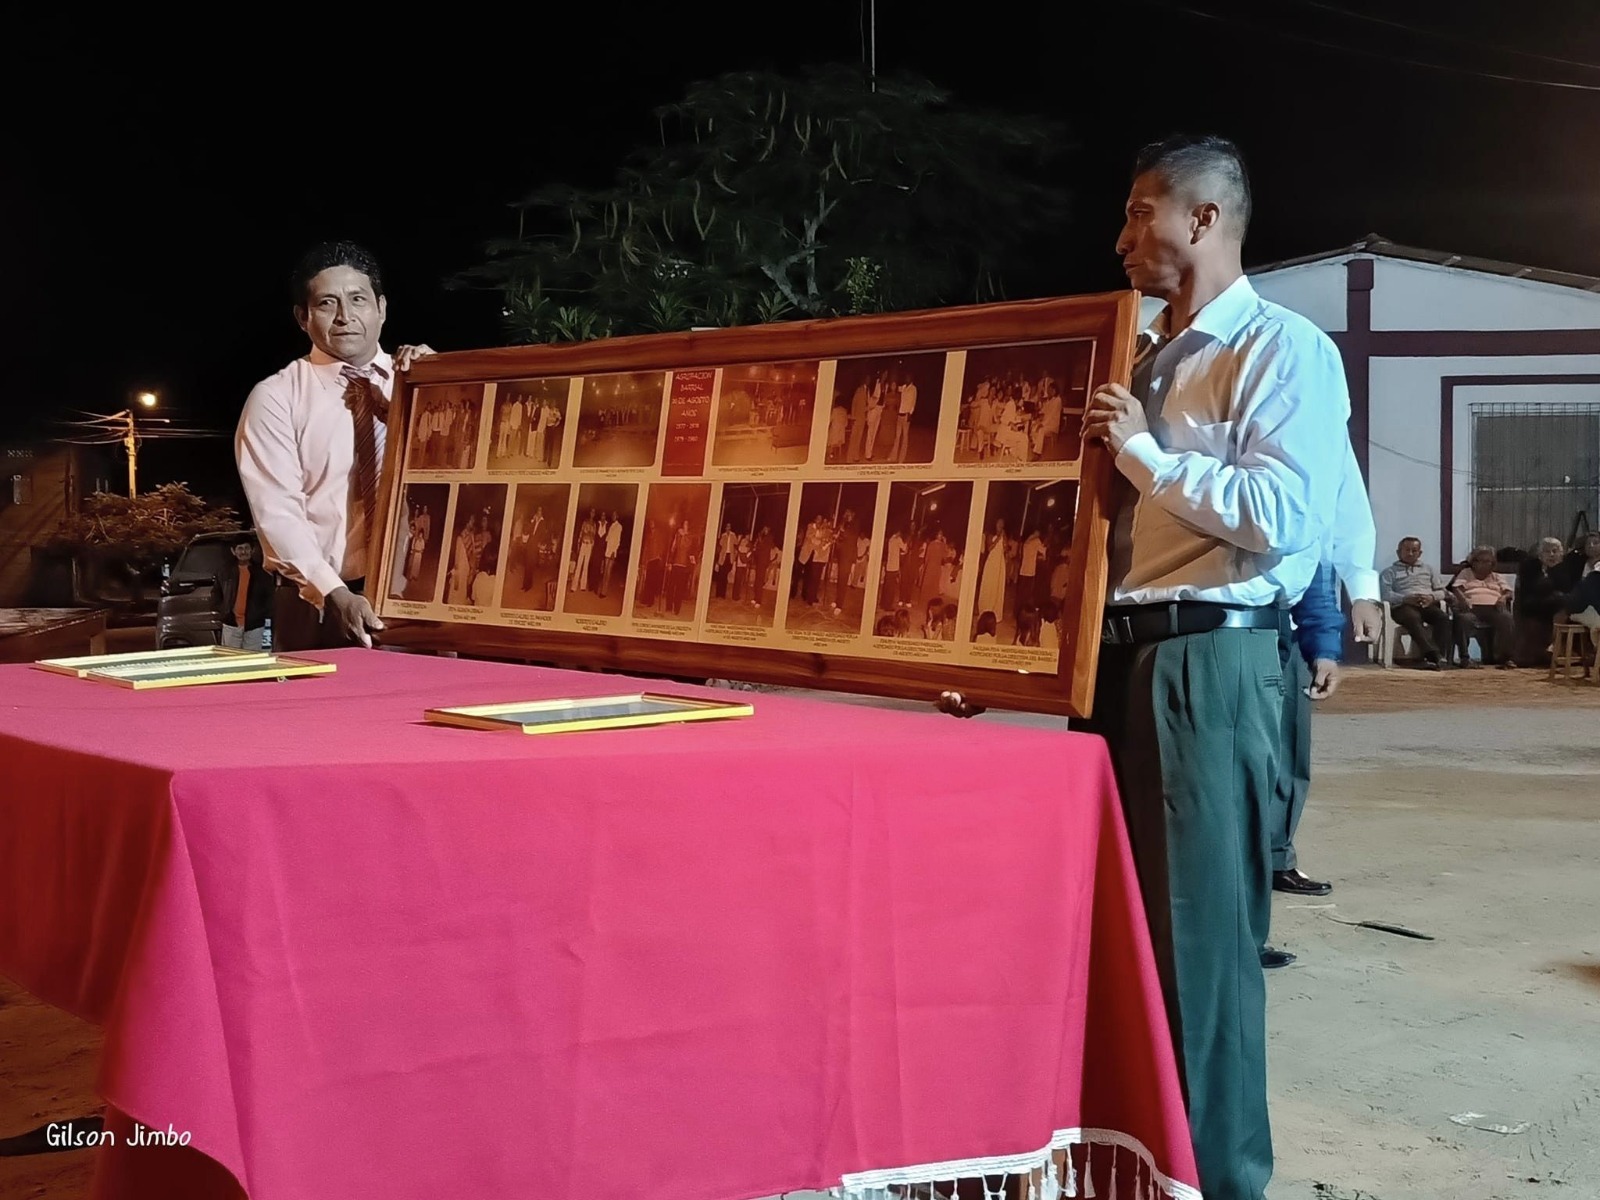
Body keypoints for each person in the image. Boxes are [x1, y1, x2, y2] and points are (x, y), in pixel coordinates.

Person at [1076, 134, 1352, 1200]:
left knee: (1200, 948)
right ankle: (1124, 1165)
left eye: (1136, 210)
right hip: (1106, 662)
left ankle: (1214, 1182)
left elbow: (1283, 517)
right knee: (1115, 941)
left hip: (1206, 661)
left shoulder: (1281, 350)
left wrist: (1142, 453)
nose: (1120, 236)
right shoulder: (1135, 355)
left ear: (1201, 219)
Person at [235, 242, 435, 651]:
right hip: (318, 604)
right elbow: (278, 514)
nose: (345, 316)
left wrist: (443, 383)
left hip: (420, 600)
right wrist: (334, 593)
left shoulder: (421, 383)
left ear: (381, 308)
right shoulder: (276, 398)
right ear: (302, 317)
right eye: (327, 303)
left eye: (358, 299)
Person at [1379, 538, 1452, 668]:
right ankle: (1434, 656)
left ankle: (1440, 656)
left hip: (1426, 604)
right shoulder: (1389, 572)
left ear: (1420, 553)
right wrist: (1405, 598)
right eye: (1407, 550)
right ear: (1398, 552)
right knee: (1412, 617)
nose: (1410, 553)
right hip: (1402, 606)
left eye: (1414, 550)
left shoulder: (1429, 569)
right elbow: (1386, 595)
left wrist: (1431, 597)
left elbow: (1442, 592)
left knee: (1443, 618)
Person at [1449, 546, 1515, 666]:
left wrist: (1503, 598)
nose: (1483, 564)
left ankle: (1505, 658)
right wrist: (1463, 599)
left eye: (1487, 561)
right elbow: (1456, 588)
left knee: (1507, 619)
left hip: (1494, 608)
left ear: (1492, 563)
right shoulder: (1466, 573)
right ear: (1473, 562)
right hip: (1471, 607)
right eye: (1479, 561)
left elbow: (1509, 591)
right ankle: (1465, 658)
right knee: (1464, 619)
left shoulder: (1496, 576)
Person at [217, 537, 275, 650]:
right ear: (233, 551)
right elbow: (216, 595)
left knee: (253, 658)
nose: (243, 552)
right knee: (232, 658)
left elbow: (270, 598)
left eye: (247, 548)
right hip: (231, 626)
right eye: (240, 548)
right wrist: (224, 612)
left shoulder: (262, 573)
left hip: (255, 627)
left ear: (252, 550)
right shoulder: (225, 572)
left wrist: (261, 615)